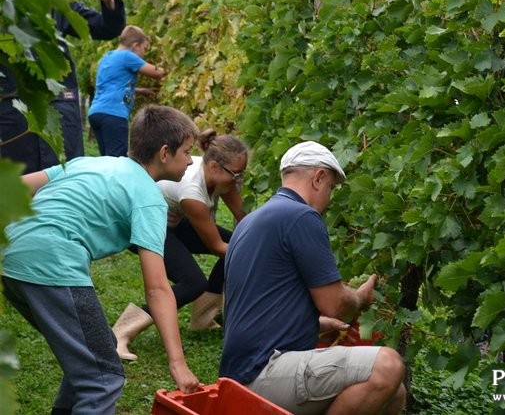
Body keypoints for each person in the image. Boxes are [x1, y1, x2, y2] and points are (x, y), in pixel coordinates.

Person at [1, 105, 200, 414]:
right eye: (187, 152)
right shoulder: (148, 198)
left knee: (91, 354)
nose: (190, 160)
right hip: (53, 264)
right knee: (103, 377)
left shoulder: (90, 163)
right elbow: (158, 289)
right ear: (164, 152)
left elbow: (16, 186)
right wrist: (178, 363)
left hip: (11, 258)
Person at [219, 141, 406, 414]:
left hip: (240, 370)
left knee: (395, 393)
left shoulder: (251, 222)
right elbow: (336, 305)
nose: (329, 199)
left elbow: (258, 309)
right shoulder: (301, 215)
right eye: (330, 187)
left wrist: (312, 323)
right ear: (318, 178)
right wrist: (360, 298)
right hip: (262, 371)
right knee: (388, 365)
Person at [113, 129, 248, 361]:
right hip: (143, 224)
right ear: (215, 166)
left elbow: (244, 218)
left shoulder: (220, 177)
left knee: (238, 246)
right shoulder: (192, 191)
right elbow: (217, 246)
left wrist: (259, 243)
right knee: (193, 282)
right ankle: (119, 334)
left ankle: (202, 320)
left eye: (241, 174)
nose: (238, 180)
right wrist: (257, 256)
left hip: (169, 221)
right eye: (236, 174)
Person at [0, 0, 126, 174]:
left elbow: (106, 28)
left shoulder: (56, 4)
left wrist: (108, 2)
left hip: (58, 109)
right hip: (12, 113)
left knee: (61, 179)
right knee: (17, 183)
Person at [88, 25, 165, 157]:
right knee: (117, 161)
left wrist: (140, 91)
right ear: (135, 46)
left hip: (96, 113)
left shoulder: (107, 57)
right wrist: (165, 69)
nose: (144, 53)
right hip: (114, 114)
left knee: (107, 159)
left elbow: (112, 85)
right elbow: (156, 73)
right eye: (144, 48)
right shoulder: (127, 56)